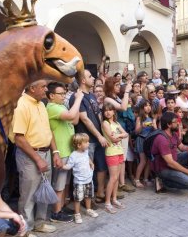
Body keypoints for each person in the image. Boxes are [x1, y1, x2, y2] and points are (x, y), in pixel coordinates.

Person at [12, 80, 61, 237]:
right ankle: (24, 231)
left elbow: (49, 131)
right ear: (32, 88)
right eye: (43, 87)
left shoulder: (41, 104)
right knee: (28, 195)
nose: (46, 89)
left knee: (43, 190)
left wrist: (55, 152)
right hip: (30, 156)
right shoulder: (21, 105)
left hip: (45, 152)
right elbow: (19, 138)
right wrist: (38, 158)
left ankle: (39, 223)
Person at [70, 70, 109, 204]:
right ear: (83, 81)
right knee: (87, 171)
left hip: (99, 138)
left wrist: (104, 134)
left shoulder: (91, 95)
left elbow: (98, 115)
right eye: (90, 76)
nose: (93, 78)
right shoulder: (77, 97)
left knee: (102, 167)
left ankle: (100, 193)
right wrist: (99, 136)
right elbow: (85, 119)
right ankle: (88, 200)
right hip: (87, 140)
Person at [46, 81, 83, 223]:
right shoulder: (52, 107)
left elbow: (74, 120)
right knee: (59, 185)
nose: (63, 96)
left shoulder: (61, 106)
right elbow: (70, 117)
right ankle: (55, 213)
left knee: (64, 183)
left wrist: (76, 104)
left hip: (68, 150)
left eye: (64, 93)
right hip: (61, 151)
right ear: (51, 95)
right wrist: (79, 99)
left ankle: (60, 207)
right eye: (61, 94)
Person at [151, 112, 188, 192]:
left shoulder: (174, 134)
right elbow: (170, 163)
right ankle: (163, 182)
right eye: (175, 122)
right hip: (163, 169)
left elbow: (182, 147)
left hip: (174, 160)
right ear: (168, 125)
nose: (178, 123)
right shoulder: (162, 139)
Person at [103, 77, 135, 193]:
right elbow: (123, 107)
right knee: (117, 160)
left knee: (122, 158)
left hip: (120, 128)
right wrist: (127, 92)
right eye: (116, 85)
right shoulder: (107, 99)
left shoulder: (115, 97)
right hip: (114, 130)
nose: (119, 87)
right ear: (111, 86)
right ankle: (118, 185)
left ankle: (121, 183)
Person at [63, 133, 99, 223]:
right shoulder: (73, 155)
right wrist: (62, 166)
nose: (88, 143)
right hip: (79, 181)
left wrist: (91, 163)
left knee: (88, 196)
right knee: (77, 198)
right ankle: (77, 214)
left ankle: (88, 209)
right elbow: (69, 166)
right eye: (86, 142)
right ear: (79, 145)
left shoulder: (85, 152)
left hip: (88, 179)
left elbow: (87, 158)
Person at [101, 103, 128, 213]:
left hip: (119, 151)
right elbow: (113, 139)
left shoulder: (116, 123)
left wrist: (119, 136)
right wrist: (119, 136)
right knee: (113, 178)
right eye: (105, 110)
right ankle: (107, 203)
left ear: (114, 112)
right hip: (111, 152)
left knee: (116, 177)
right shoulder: (105, 123)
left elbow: (126, 134)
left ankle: (114, 199)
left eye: (110, 110)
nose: (107, 112)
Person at [134, 99, 157, 188]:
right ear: (142, 108)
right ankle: (137, 179)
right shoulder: (140, 118)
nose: (148, 107)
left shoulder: (152, 117)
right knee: (143, 161)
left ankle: (146, 179)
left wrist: (154, 125)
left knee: (149, 160)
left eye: (149, 105)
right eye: (145, 106)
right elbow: (136, 132)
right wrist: (142, 126)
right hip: (141, 139)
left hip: (149, 140)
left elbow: (156, 130)